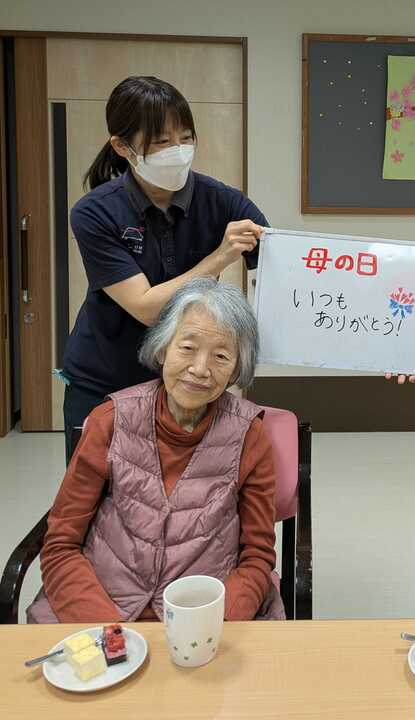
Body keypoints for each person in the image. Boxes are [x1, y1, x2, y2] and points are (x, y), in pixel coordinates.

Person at [28, 278, 284, 623]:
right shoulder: (110, 420)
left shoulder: (249, 434)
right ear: (162, 349)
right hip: (104, 605)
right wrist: (109, 631)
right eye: (187, 347)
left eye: (221, 356)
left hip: (207, 613)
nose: (200, 369)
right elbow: (61, 544)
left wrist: (209, 625)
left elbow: (257, 556)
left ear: (236, 369)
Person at [59, 76, 267, 461]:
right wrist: (220, 257)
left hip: (191, 383)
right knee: (96, 487)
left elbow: (286, 267)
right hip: (106, 379)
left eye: (186, 138)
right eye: (162, 142)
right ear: (122, 147)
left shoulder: (222, 200)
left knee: (188, 490)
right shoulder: (95, 212)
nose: (179, 151)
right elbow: (146, 307)